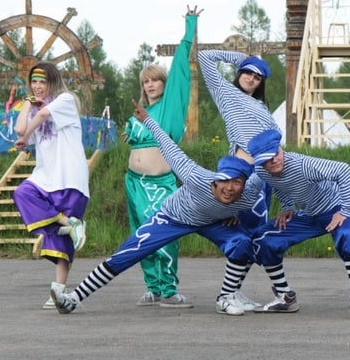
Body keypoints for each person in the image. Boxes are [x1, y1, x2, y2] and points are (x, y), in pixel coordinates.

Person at [51, 101, 264, 316]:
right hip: (173, 218)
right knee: (127, 254)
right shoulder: (195, 177)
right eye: (224, 181)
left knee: (242, 242)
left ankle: (226, 297)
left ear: (244, 184)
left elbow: (273, 170)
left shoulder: (249, 192)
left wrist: (237, 213)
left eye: (237, 183)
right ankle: (72, 299)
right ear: (215, 180)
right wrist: (147, 119)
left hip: (211, 222)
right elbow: (168, 145)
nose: (230, 188)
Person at [121, 5, 201, 308]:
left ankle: (169, 289)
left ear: (165, 84)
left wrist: (189, 27)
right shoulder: (140, 114)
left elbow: (180, 67)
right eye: (146, 81)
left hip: (160, 183)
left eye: (155, 80)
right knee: (141, 234)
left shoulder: (170, 110)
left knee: (164, 233)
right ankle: (152, 287)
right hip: (134, 182)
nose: (150, 85)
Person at [248, 129, 350, 320]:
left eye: (276, 153)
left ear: (281, 149)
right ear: (259, 162)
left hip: (337, 209)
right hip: (311, 214)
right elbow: (278, 185)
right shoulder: (263, 172)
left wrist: (345, 210)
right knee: (264, 239)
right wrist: (288, 206)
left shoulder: (303, 165)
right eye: (267, 159)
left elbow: (343, 170)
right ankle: (285, 298)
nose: (275, 160)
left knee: (346, 238)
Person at [198, 49, 280, 309]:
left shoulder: (262, 108)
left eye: (258, 77)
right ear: (240, 73)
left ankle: (235, 291)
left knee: (256, 234)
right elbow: (204, 57)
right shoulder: (225, 93)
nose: (251, 78)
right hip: (241, 174)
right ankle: (227, 294)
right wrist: (242, 58)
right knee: (241, 233)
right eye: (248, 72)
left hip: (263, 176)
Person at [12, 61, 88, 309]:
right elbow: (19, 129)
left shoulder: (65, 100)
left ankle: (58, 291)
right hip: (45, 177)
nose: (37, 86)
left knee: (59, 240)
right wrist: (27, 102)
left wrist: (27, 136)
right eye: (34, 82)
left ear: (52, 82)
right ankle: (70, 223)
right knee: (22, 193)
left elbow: (43, 116)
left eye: (42, 82)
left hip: (69, 177)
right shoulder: (35, 108)